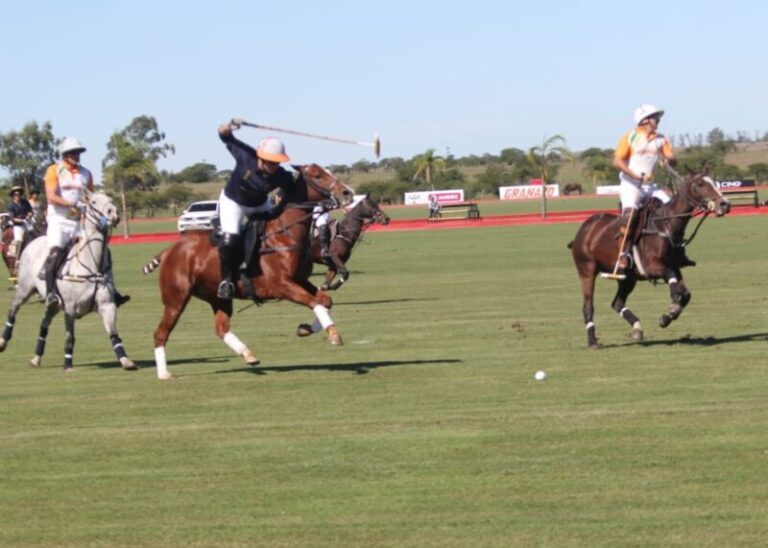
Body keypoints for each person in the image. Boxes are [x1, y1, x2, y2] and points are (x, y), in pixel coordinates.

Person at [39, 137, 130, 309]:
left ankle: (112, 291)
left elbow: (91, 199)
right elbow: (51, 196)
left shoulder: (86, 173)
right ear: (65, 155)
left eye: (79, 152)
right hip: (59, 219)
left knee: (101, 250)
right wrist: (70, 203)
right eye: (73, 152)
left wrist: (102, 218)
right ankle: (51, 293)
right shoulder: (54, 171)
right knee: (56, 251)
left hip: (79, 220)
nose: (77, 155)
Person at [216, 118, 294, 299]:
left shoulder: (281, 175)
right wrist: (229, 126)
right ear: (261, 157)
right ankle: (226, 281)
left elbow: (295, 185)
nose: (274, 166)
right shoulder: (245, 156)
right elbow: (224, 136)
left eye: (277, 162)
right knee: (230, 239)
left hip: (259, 204)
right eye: (271, 162)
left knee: (278, 232)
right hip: (233, 202)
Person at [611, 104, 678, 275]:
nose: (658, 120)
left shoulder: (661, 139)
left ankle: (675, 249)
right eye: (655, 117)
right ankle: (623, 254)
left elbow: (671, 157)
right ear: (645, 120)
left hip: (650, 186)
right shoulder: (630, 137)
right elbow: (617, 161)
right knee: (631, 213)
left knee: (673, 209)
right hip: (631, 184)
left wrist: (668, 160)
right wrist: (634, 175)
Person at [6, 186, 33, 261]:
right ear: (13, 196)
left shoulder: (25, 202)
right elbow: (12, 218)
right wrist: (21, 220)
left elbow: (30, 210)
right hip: (18, 225)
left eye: (19, 194)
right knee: (19, 240)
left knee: (34, 234)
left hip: (27, 222)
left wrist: (29, 215)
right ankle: (17, 258)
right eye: (15, 194)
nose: (17, 196)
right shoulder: (11, 205)